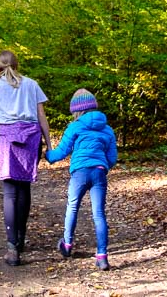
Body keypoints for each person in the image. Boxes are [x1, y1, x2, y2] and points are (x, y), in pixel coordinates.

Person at [0, 50, 51, 266]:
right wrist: (49, 144)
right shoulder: (32, 84)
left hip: (8, 135)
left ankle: (12, 246)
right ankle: (20, 239)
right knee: (24, 188)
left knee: (10, 191)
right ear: (17, 64)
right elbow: (41, 115)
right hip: (31, 136)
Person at [45, 88, 117, 271]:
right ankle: (102, 256)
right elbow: (112, 157)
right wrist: (103, 165)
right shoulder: (107, 129)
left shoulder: (75, 126)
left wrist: (48, 156)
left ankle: (67, 245)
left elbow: (61, 151)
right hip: (99, 172)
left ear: (77, 110)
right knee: (99, 213)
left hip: (80, 172)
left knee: (73, 206)